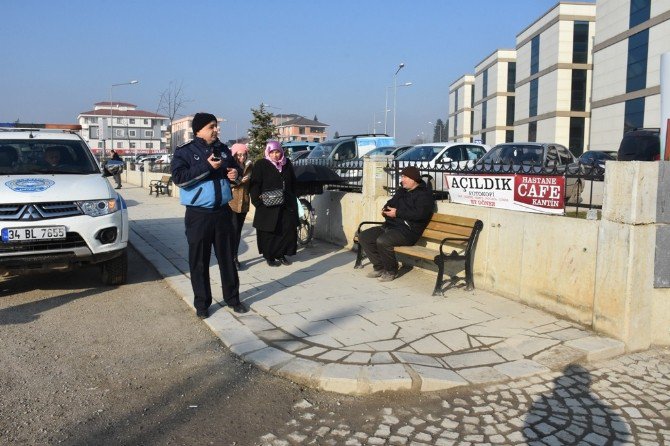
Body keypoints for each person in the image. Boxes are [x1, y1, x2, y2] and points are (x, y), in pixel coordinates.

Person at [171, 112, 248, 319]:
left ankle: (233, 299)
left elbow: (234, 171)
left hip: (223, 213)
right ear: (199, 130)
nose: (216, 130)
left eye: (216, 126)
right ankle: (202, 304)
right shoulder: (185, 152)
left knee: (227, 259)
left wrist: (234, 174)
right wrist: (206, 166)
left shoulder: (223, 149)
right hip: (199, 216)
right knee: (199, 262)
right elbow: (178, 179)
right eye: (211, 127)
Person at [358, 166, 435, 282]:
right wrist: (385, 210)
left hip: (408, 232)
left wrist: (397, 213)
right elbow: (391, 202)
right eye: (402, 176)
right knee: (364, 236)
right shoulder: (402, 191)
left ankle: (391, 271)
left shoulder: (424, 195)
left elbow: (420, 215)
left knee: (383, 241)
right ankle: (379, 267)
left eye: (405, 177)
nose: (402, 179)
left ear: (413, 179)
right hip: (390, 226)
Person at [249, 140, 299, 267]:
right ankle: (269, 256)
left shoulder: (286, 164)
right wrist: (258, 203)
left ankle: (281, 254)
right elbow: (255, 185)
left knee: (285, 231)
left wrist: (293, 198)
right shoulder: (261, 164)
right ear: (268, 152)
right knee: (269, 232)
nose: (275, 155)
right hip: (267, 205)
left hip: (285, 205)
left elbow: (293, 182)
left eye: (277, 152)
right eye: (272, 152)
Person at [228, 143, 252, 270]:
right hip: (232, 203)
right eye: (239, 155)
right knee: (233, 232)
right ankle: (232, 258)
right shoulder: (231, 167)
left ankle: (234, 257)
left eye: (244, 155)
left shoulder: (248, 166)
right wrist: (239, 181)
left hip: (244, 203)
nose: (242, 157)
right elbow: (226, 184)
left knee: (238, 232)